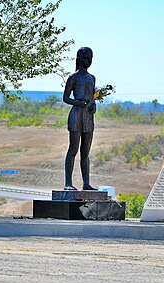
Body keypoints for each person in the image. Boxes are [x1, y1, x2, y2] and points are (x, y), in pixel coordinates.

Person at [63, 47, 97, 191]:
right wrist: (79, 103)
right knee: (73, 149)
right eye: (85, 58)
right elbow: (65, 97)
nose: (88, 61)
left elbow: (92, 97)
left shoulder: (92, 78)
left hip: (88, 117)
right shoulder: (73, 77)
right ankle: (68, 183)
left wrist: (93, 106)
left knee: (86, 152)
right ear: (79, 59)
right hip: (76, 115)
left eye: (90, 58)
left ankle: (86, 183)